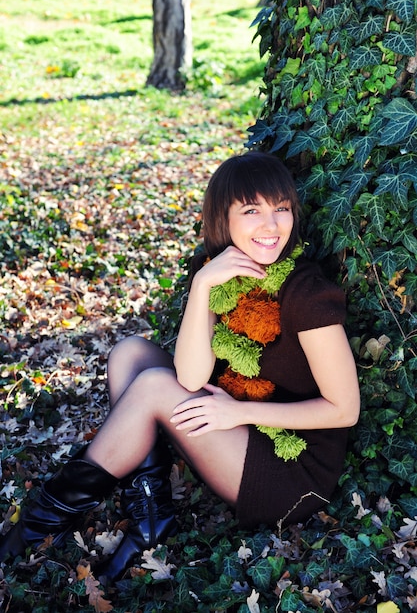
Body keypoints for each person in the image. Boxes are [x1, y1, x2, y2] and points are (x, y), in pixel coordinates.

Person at [0, 151, 360, 583]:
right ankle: (150, 513)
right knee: (130, 354)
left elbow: (343, 410)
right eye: (252, 211)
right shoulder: (225, 275)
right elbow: (191, 377)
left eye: (281, 208)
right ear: (223, 220)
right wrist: (204, 284)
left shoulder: (304, 293)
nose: (271, 225)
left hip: (293, 473)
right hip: (244, 431)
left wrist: (239, 412)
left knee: (153, 385)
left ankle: (37, 524)